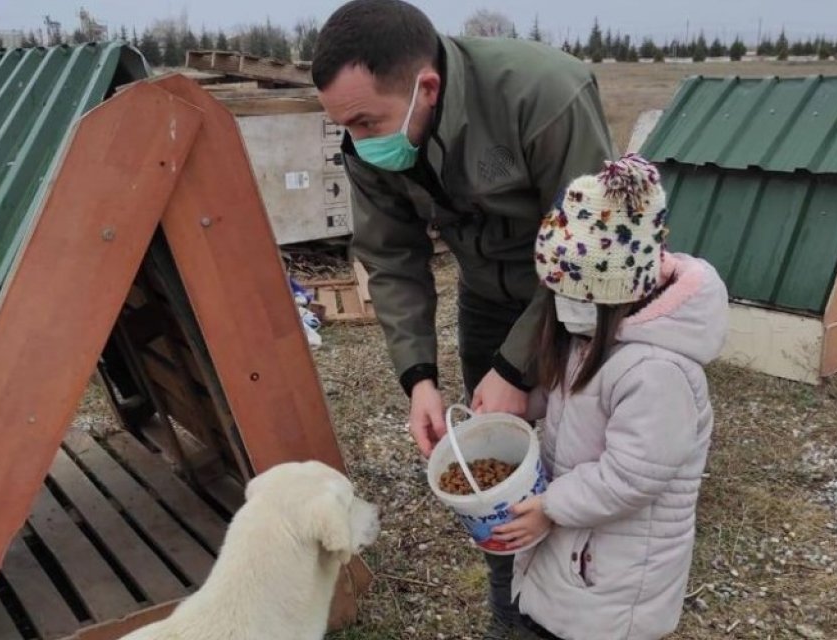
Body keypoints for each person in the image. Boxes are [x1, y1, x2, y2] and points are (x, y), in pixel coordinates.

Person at [311, 2, 615, 634]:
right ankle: (512, 613)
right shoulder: (368, 144)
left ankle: (590, 609)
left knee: (581, 457)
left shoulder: (545, 94)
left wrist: (517, 365)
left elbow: (590, 249)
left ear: (427, 87)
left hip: (582, 298)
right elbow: (391, 258)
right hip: (486, 300)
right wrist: (419, 377)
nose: (360, 142)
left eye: (368, 121)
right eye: (347, 126)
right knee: (502, 472)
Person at [491, 155, 729, 639]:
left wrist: (549, 507)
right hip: (584, 547)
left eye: (577, 295)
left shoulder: (658, 372)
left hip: (617, 577)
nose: (563, 307)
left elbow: (631, 475)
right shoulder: (589, 338)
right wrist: (522, 404)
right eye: (556, 292)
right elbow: (570, 399)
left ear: (618, 293)